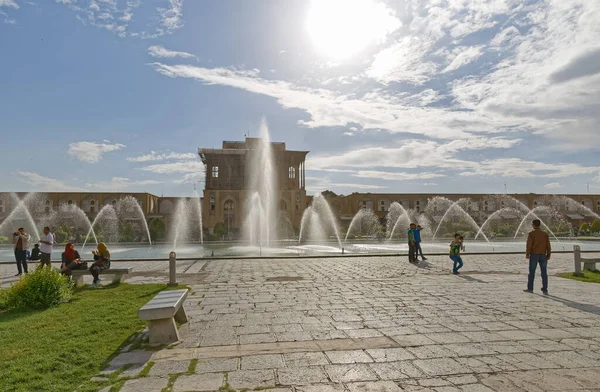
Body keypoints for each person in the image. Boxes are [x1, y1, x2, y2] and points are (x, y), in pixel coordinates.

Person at [525, 219, 551, 295]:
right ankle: (545, 288)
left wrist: (527, 254)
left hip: (534, 255)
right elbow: (548, 245)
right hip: (543, 255)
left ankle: (530, 288)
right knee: (544, 272)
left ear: (533, 225)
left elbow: (529, 245)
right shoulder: (544, 234)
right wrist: (549, 254)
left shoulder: (531, 234)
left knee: (532, 272)